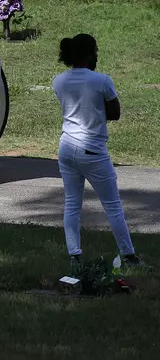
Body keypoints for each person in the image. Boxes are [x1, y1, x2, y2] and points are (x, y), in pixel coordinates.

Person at [53, 33, 143, 275]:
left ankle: (74, 255)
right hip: (92, 149)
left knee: (72, 204)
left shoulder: (58, 81)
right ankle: (129, 255)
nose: (97, 55)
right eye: (95, 51)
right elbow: (115, 113)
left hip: (66, 148)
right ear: (89, 54)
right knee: (112, 206)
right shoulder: (102, 80)